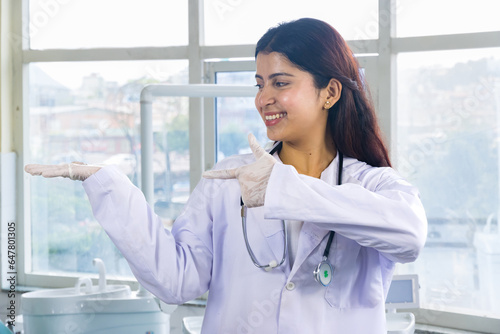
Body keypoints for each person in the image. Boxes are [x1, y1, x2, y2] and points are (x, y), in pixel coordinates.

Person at [25, 18, 427, 334]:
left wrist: (282, 188)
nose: (262, 98)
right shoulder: (229, 178)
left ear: (330, 93)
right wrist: (110, 185)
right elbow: (177, 281)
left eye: (280, 83)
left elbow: (409, 235)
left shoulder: (371, 185)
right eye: (259, 83)